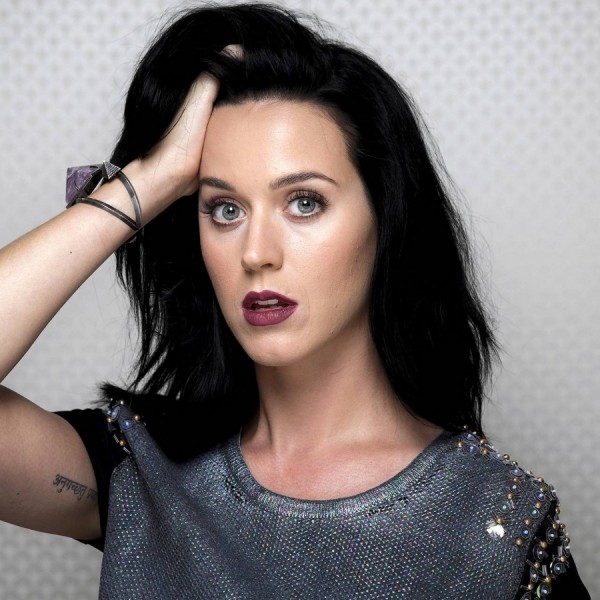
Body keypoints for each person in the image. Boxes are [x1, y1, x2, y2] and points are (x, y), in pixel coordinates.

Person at [0, 4, 590, 599]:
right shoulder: (141, 472)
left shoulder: (498, 526)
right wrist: (149, 181)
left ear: (387, 220)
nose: (257, 253)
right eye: (224, 209)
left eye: (304, 202)